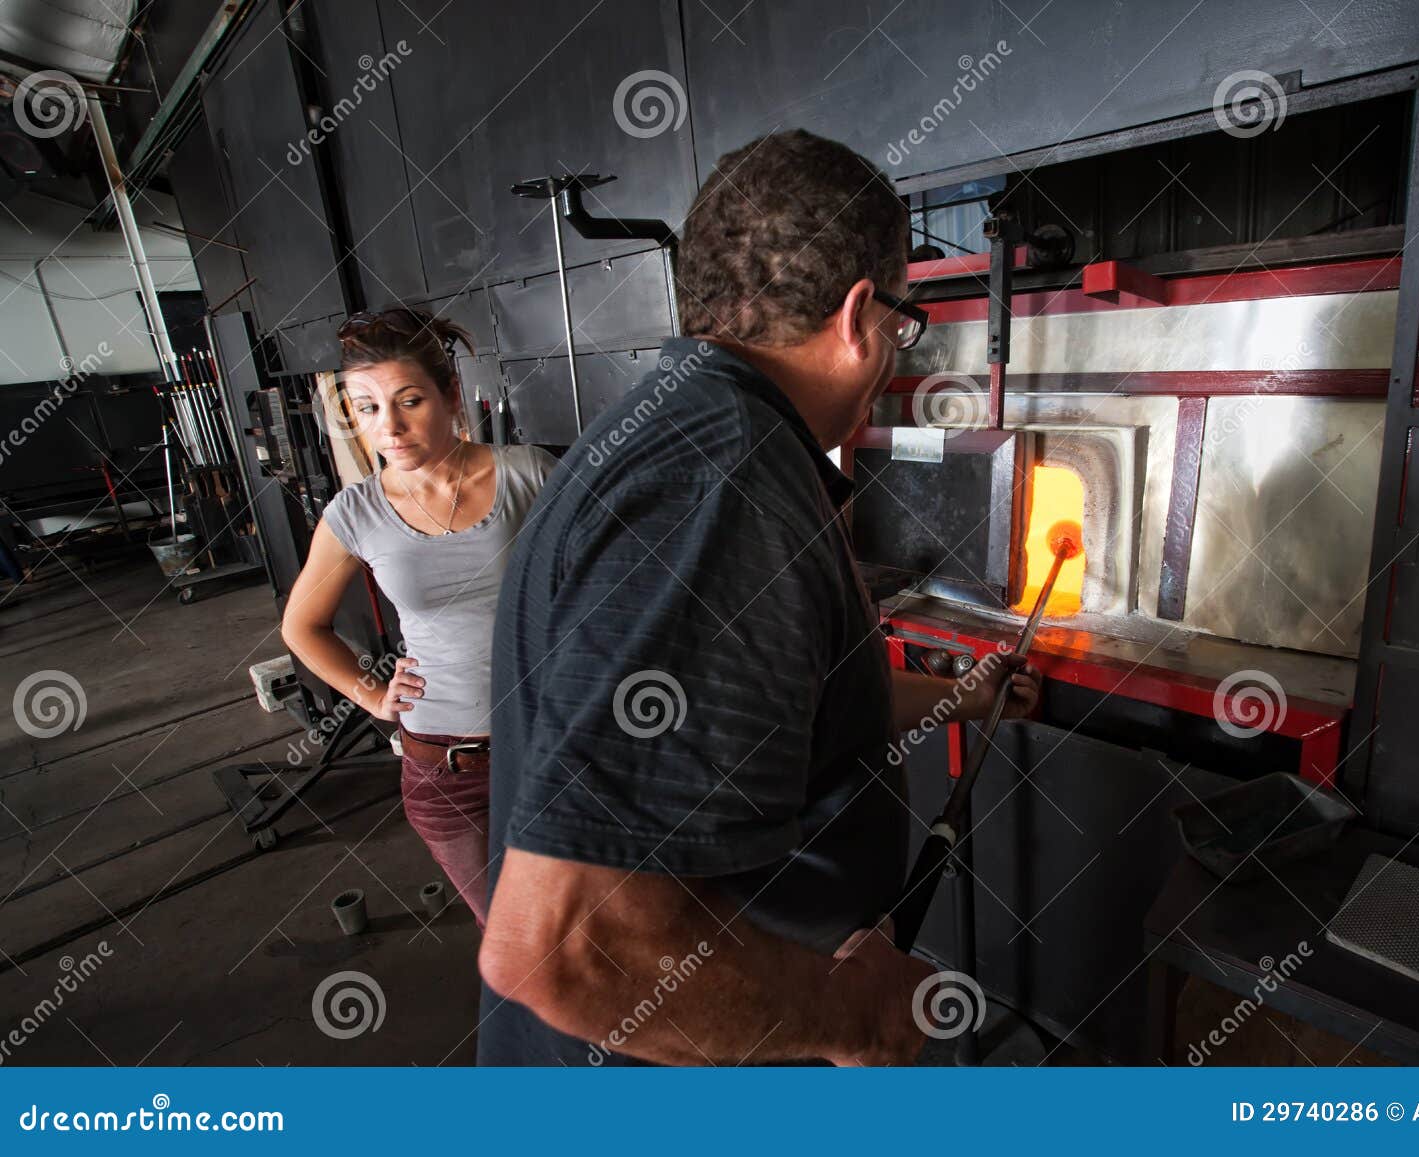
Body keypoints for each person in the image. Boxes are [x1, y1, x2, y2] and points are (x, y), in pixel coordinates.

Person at [477, 129, 1041, 1065]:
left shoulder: (678, 430)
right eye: (904, 327)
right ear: (860, 315)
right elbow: (569, 949)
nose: (896, 360)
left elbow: (796, 717)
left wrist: (965, 692)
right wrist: (852, 1016)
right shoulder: (724, 488)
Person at [281, 307, 555, 925]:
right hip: (443, 773)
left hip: (546, 752)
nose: (391, 428)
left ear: (451, 394)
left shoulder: (525, 473)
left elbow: (608, 583)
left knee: (591, 928)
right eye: (368, 408)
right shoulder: (354, 514)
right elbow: (302, 625)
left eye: (409, 401)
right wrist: (372, 695)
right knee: (513, 947)